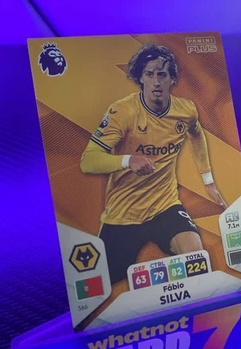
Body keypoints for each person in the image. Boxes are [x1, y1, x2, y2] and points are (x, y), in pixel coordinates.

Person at [80, 43, 227, 284]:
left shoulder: (186, 110)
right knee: (102, 284)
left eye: (162, 74)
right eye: (149, 74)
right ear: (140, 77)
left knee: (196, 258)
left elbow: (197, 135)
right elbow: (88, 160)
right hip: (123, 214)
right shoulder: (123, 112)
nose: (156, 82)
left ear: (172, 79)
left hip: (165, 205)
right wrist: (128, 160)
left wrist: (208, 180)